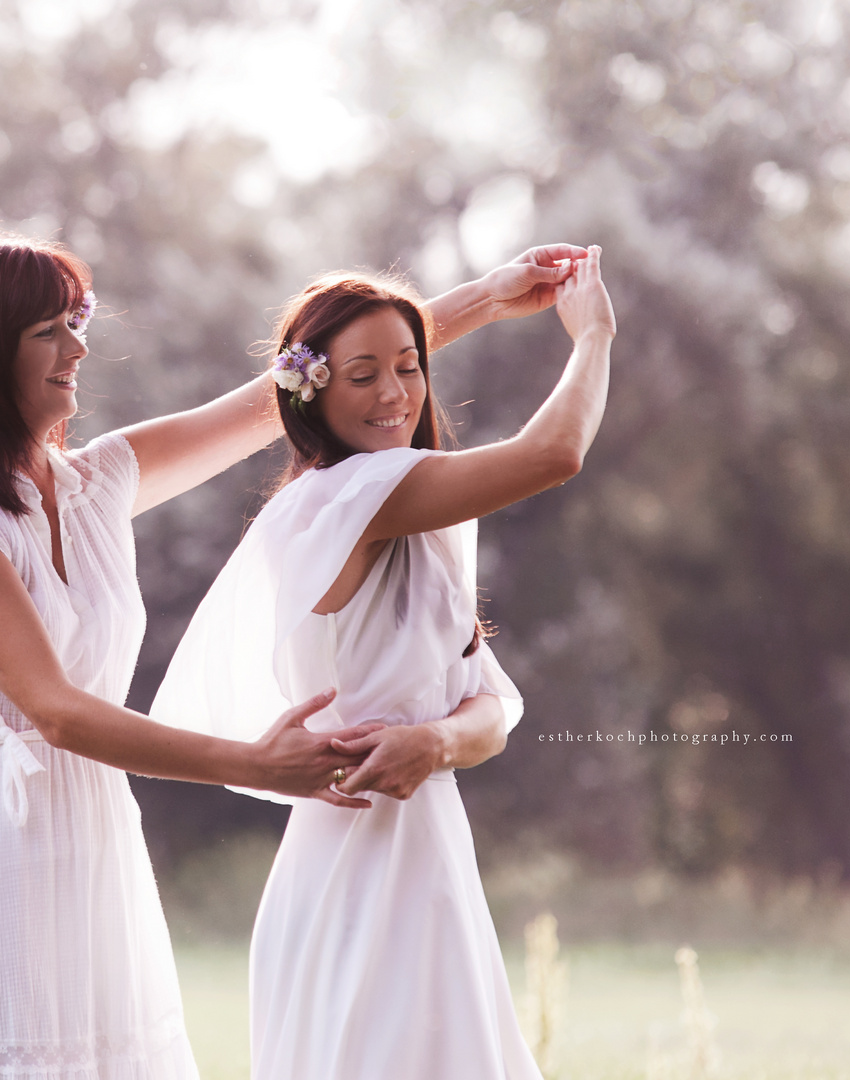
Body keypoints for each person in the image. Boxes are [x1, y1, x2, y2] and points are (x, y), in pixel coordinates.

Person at [0, 231, 591, 1080]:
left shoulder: (94, 483)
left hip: (95, 837)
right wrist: (248, 763)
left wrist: (492, 296)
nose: (79, 346)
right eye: (48, 332)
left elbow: (292, 381)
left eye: (77, 321)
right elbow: (55, 710)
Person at [150, 249, 616, 1079]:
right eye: (361, 375)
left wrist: (433, 744)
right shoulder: (345, 498)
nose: (395, 393)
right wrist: (593, 339)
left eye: (408, 367)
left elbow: (490, 710)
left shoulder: (413, 517)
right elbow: (554, 454)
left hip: (428, 851)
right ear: (311, 395)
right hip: (356, 860)